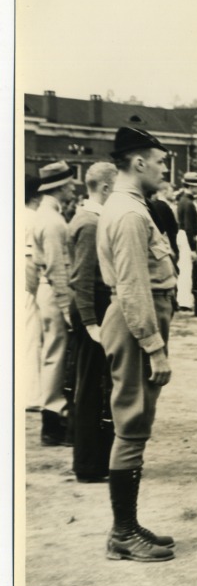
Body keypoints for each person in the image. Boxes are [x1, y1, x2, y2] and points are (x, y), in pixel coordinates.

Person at [97, 127, 177, 562]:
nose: (165, 168)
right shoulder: (129, 214)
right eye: (161, 161)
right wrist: (154, 346)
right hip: (135, 324)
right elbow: (133, 287)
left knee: (136, 422)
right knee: (131, 423)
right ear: (139, 162)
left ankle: (127, 524)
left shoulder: (131, 207)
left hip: (136, 321)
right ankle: (123, 532)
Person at [68, 162, 116, 482]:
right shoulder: (89, 223)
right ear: (105, 189)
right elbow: (82, 278)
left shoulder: (91, 219)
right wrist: (89, 322)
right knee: (90, 386)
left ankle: (95, 458)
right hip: (92, 310)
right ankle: (88, 463)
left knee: (95, 384)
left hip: (94, 308)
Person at [33, 160, 79, 446]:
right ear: (60, 186)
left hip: (45, 290)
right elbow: (56, 268)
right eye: (71, 183)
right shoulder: (52, 221)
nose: (74, 187)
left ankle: (54, 417)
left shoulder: (47, 215)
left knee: (54, 353)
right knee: (56, 355)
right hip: (54, 291)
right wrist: (65, 306)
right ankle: (53, 422)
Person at [24, 173, 44, 413]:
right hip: (26, 284)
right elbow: (30, 260)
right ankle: (31, 394)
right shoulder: (33, 218)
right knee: (31, 338)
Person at [174, 173, 197, 313]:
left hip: (183, 235)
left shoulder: (182, 200)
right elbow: (189, 227)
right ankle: (184, 301)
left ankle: (183, 299)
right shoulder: (188, 203)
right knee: (187, 270)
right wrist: (193, 249)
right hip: (186, 236)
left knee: (184, 269)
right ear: (191, 186)